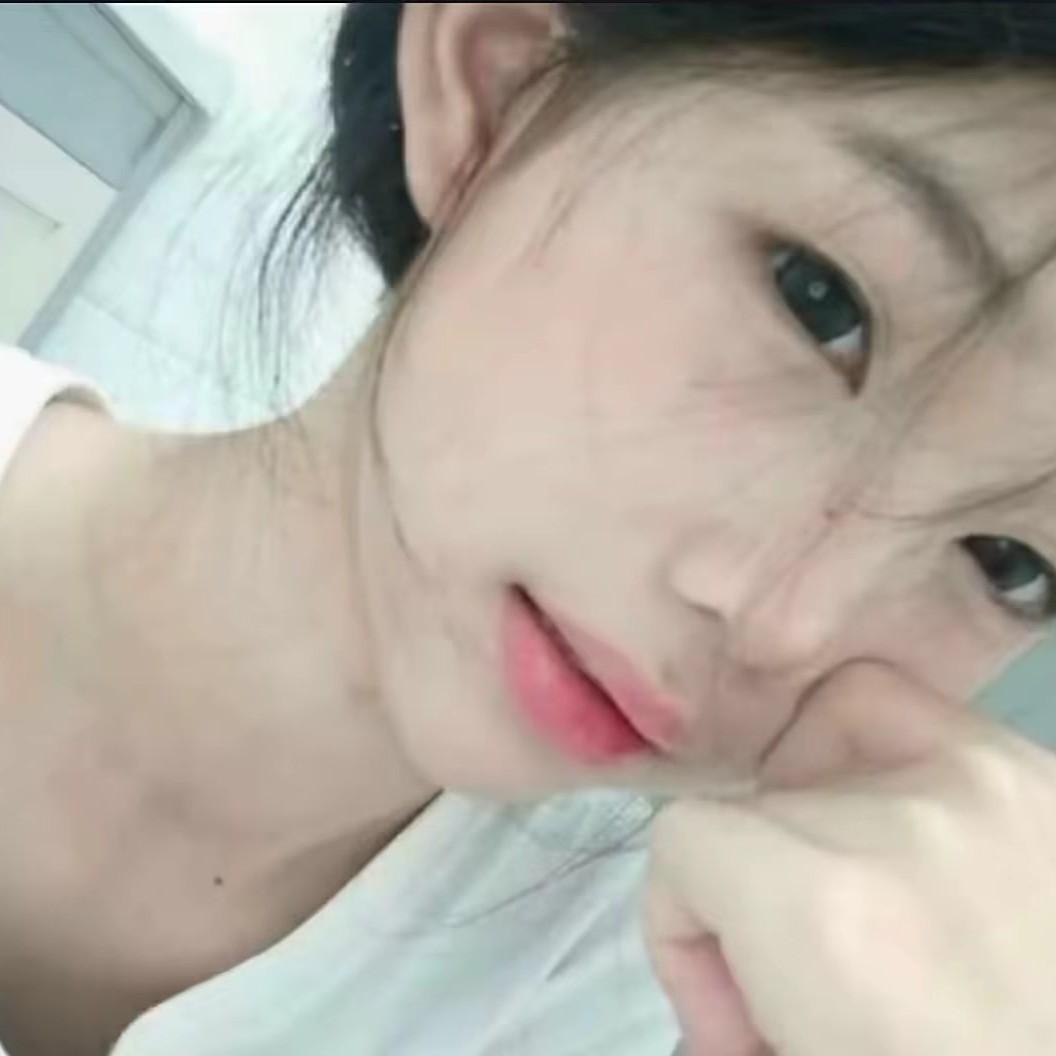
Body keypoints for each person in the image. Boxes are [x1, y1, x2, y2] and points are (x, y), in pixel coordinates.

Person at [5, 2, 1056, 1053]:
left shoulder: (666, 983)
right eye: (818, 300)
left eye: (1012, 565)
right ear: (496, 86)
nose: (782, 624)